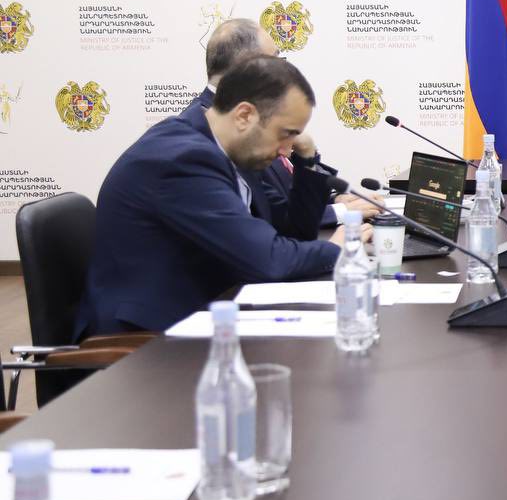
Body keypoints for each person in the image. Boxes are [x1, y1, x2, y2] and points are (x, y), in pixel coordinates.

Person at [77, 57, 363, 336]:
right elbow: (269, 260)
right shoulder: (182, 159)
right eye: (284, 134)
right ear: (244, 116)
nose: (285, 149)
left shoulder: (231, 148)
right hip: (148, 338)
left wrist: (307, 157)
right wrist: (337, 249)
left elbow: (293, 231)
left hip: (206, 308)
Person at [190, 18, 380, 230]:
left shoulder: (251, 117)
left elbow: (277, 201)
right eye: (276, 61)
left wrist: (335, 200)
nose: (282, 72)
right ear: (247, 68)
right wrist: (341, 216)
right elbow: (259, 221)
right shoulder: (208, 134)